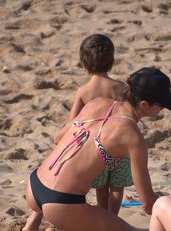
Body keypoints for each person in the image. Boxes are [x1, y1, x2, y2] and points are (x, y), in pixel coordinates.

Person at [21, 67, 171, 231]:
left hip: (34, 184)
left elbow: (58, 139)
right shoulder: (132, 136)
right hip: (60, 203)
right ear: (145, 104)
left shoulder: (97, 102)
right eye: (161, 106)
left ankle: (35, 217)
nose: (162, 110)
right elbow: (148, 203)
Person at [54, 33, 132, 216]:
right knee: (116, 186)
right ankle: (114, 217)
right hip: (119, 147)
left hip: (96, 149)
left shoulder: (83, 91)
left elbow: (72, 123)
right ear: (111, 61)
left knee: (101, 186)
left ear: (84, 64)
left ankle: (103, 215)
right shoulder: (121, 88)